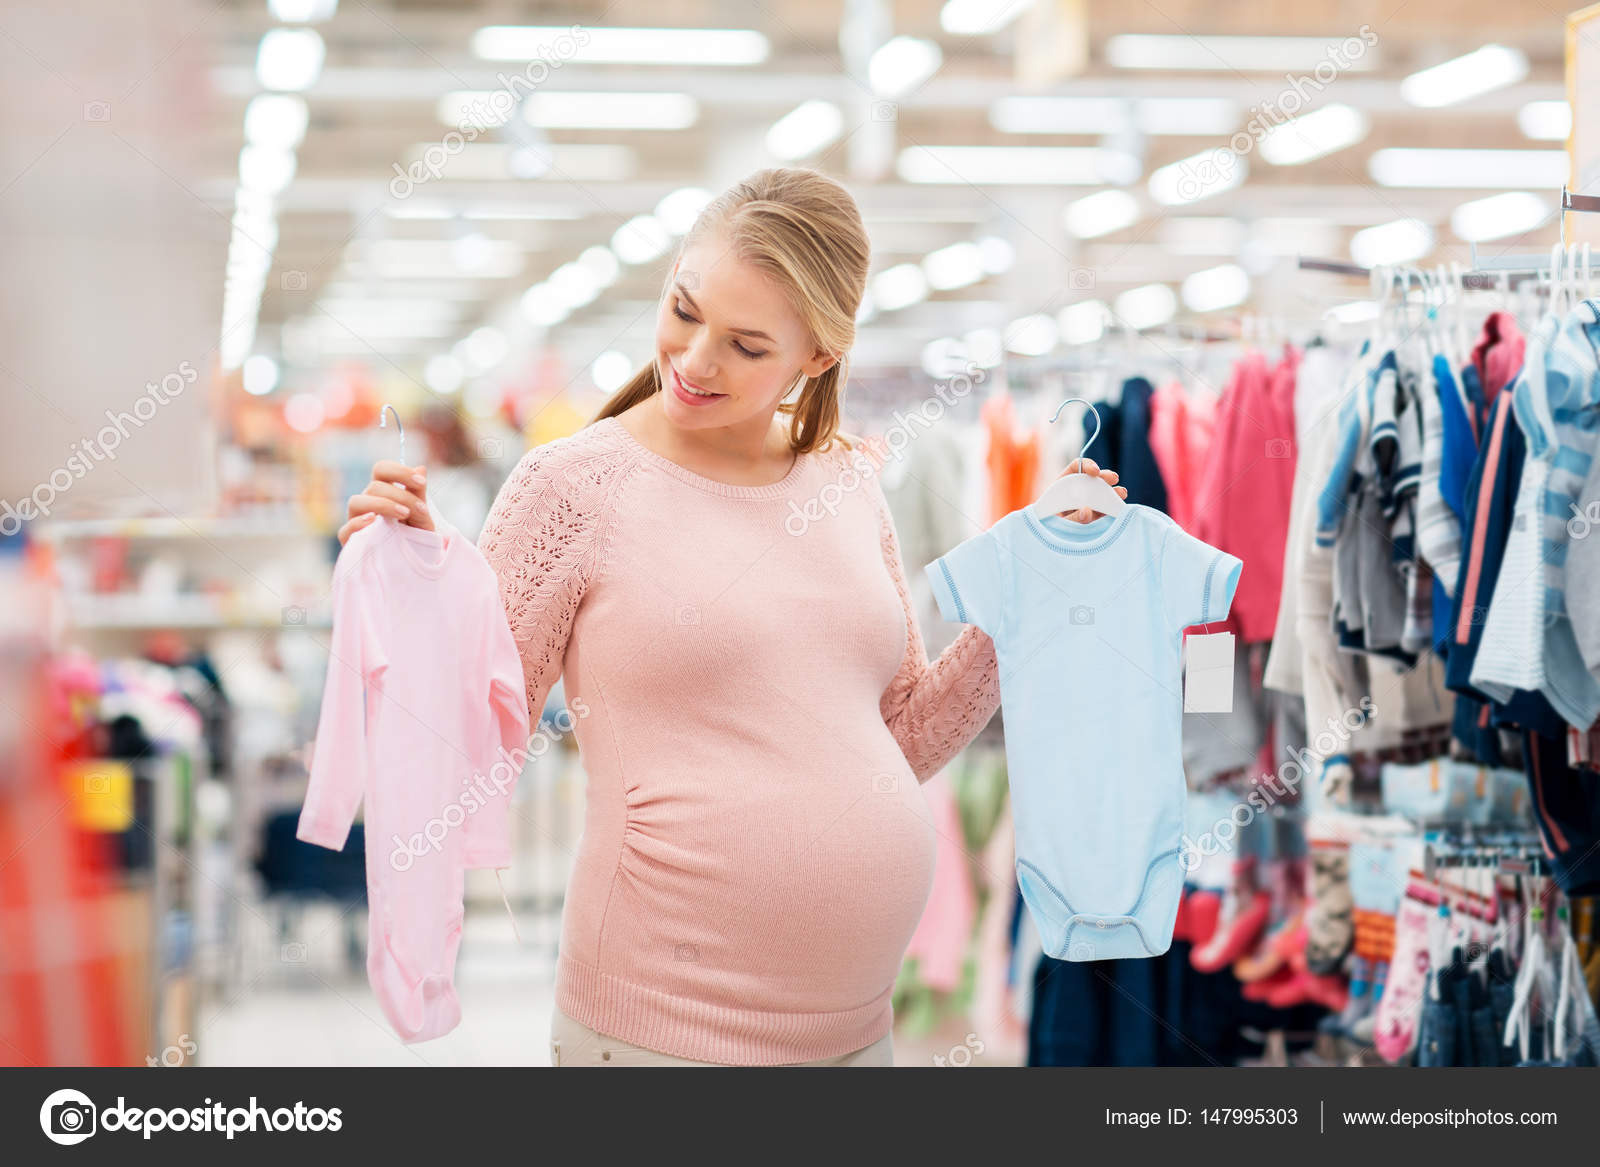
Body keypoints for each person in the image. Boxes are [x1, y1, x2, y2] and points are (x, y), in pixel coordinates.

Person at [337, 167, 1126, 1066]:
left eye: (747, 345)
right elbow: (464, 736)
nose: (695, 358)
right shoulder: (573, 488)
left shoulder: (847, 482)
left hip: (859, 1032)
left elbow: (901, 737)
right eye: (683, 309)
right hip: (660, 1033)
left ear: (818, 357)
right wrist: (412, 585)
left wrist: (1028, 584)